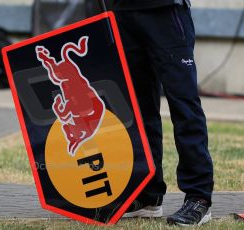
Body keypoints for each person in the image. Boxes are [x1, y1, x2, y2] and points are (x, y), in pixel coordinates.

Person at [112, 0, 214, 226]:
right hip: (121, 11)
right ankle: (147, 195)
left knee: (184, 105)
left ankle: (198, 197)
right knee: (137, 110)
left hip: (166, 10)